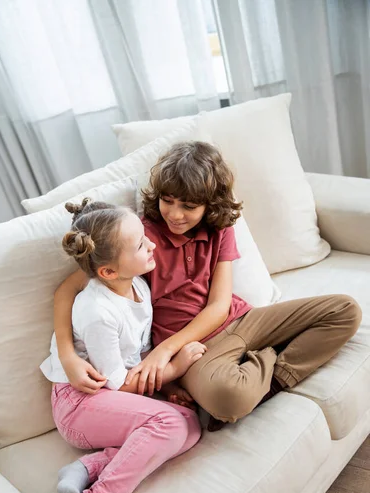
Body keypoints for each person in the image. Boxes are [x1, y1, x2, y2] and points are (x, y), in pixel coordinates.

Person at [54, 141, 362, 433]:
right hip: (196, 350)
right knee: (229, 399)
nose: (175, 214)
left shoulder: (220, 230)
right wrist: (68, 357)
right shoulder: (139, 240)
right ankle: (270, 359)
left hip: (243, 320)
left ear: (209, 205)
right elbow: (68, 289)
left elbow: (219, 306)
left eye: (188, 205)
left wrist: (163, 350)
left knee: (345, 311)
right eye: (168, 201)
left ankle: (273, 378)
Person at [40, 198, 202, 493]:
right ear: (109, 271)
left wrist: (167, 388)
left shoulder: (137, 285)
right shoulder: (97, 310)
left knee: (190, 427)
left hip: (109, 394)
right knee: (169, 423)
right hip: (80, 403)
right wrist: (173, 370)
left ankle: (86, 468)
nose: (153, 245)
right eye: (141, 244)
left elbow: (136, 358)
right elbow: (116, 383)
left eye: (146, 238)